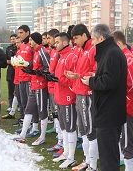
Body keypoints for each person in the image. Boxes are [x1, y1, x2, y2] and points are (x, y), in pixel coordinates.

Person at [81, 24, 127, 171]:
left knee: (108, 157)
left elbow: (110, 82)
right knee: (108, 155)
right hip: (107, 111)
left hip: (109, 113)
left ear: (101, 38)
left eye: (93, 39)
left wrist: (91, 81)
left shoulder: (112, 53)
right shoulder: (109, 51)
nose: (92, 43)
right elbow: (109, 76)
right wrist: (96, 76)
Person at [65, 24, 99, 171]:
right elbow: (81, 71)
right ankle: (87, 160)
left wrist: (81, 76)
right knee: (83, 130)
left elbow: (96, 72)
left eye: (77, 38)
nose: (75, 41)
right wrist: (75, 75)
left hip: (87, 95)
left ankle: (93, 165)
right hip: (79, 92)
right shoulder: (80, 49)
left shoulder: (93, 49)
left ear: (85, 35)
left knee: (90, 130)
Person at [15, 32, 50, 146]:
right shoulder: (35, 52)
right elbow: (35, 66)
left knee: (42, 111)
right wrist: (26, 64)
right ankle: (22, 135)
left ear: (36, 40)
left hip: (40, 86)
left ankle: (42, 136)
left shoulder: (42, 51)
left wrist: (38, 74)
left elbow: (48, 67)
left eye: (31, 40)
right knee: (28, 109)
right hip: (34, 85)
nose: (29, 42)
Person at [113, 31, 133, 171]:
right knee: (122, 139)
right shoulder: (123, 57)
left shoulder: (127, 58)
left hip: (128, 106)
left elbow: (131, 84)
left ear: (118, 44)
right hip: (122, 105)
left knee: (127, 143)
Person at [52, 32, 78, 169]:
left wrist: (58, 80)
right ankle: (66, 153)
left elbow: (73, 78)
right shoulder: (61, 56)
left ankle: (71, 157)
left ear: (64, 42)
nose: (54, 44)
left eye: (57, 42)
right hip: (59, 96)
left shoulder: (71, 56)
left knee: (70, 128)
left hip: (68, 97)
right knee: (63, 127)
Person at [2, 37, 22, 119]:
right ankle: (12, 110)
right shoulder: (9, 48)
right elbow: (6, 60)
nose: (16, 43)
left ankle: (19, 110)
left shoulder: (24, 50)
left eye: (18, 42)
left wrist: (15, 62)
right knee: (14, 92)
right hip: (14, 73)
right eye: (14, 41)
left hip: (22, 76)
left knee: (20, 94)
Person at [5, 34, 17, 112]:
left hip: (17, 70)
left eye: (14, 39)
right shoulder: (8, 48)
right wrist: (7, 61)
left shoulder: (19, 47)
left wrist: (13, 61)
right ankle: (10, 105)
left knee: (17, 90)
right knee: (10, 89)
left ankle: (18, 105)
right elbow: (5, 59)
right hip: (10, 71)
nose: (13, 40)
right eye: (11, 39)